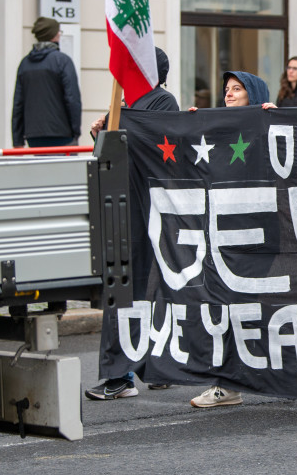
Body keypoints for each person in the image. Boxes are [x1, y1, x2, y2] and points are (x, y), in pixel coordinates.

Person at [84, 48, 182, 402]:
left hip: (143, 211)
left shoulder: (162, 103)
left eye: (131, 65)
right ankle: (146, 368)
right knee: (134, 290)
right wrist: (103, 133)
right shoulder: (126, 103)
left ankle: (120, 375)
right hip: (123, 210)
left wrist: (120, 125)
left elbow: (158, 152)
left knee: (130, 290)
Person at [188, 68, 272, 409]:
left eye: (237, 88)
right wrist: (190, 128)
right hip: (223, 233)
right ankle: (227, 382)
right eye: (227, 89)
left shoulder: (269, 127)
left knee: (252, 308)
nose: (229, 93)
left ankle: (273, 375)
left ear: (254, 94)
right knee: (226, 307)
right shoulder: (217, 129)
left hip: (259, 232)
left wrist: (276, 120)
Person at [12, 16, 82, 148]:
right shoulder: (62, 61)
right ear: (54, 36)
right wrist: (76, 132)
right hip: (62, 134)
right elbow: (72, 99)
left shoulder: (25, 64)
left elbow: (18, 104)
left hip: (33, 136)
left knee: (41, 168)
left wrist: (17, 140)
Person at [88, 48, 180, 140]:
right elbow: (115, 143)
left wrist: (124, 117)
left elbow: (152, 139)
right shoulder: (131, 98)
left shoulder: (165, 100)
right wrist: (99, 132)